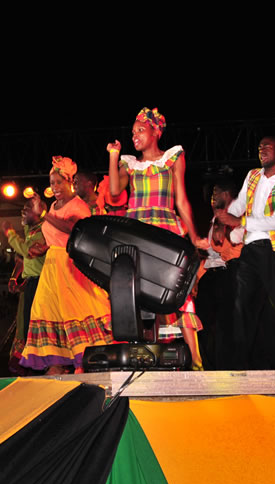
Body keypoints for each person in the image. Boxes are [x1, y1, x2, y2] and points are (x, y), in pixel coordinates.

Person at [107, 107, 204, 370]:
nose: (135, 136)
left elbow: (181, 200)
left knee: (177, 290)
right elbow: (114, 192)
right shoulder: (130, 163)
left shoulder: (173, 158)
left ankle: (195, 360)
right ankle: (146, 356)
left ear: (155, 131)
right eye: (133, 132)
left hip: (165, 231)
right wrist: (114, 156)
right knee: (138, 291)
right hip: (137, 231)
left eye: (140, 130)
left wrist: (193, 236)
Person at [20, 156, 114, 373]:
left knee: (74, 312)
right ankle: (54, 366)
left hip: (70, 266)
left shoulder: (78, 206)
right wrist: (42, 247)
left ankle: (82, 363)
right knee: (45, 310)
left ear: (70, 182)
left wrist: (43, 215)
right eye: (52, 183)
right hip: (51, 267)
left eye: (59, 182)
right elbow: (53, 233)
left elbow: (71, 229)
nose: (55, 188)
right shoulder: (54, 206)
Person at [214, 136, 275, 369]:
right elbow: (240, 203)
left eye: (267, 147)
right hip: (251, 250)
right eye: (260, 147)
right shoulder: (252, 175)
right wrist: (224, 219)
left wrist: (239, 220)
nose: (261, 150)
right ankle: (240, 365)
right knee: (243, 307)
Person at [196, 176, 245, 370]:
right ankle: (209, 366)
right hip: (212, 275)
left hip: (228, 273)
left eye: (216, 193)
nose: (212, 197)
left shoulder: (235, 215)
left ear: (226, 194)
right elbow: (209, 253)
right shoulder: (217, 218)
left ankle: (227, 366)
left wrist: (221, 226)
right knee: (204, 324)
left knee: (225, 324)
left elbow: (229, 247)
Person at [2, 198, 47, 370]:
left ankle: (39, 363)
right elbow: (21, 258)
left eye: (27, 208)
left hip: (41, 283)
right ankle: (28, 360)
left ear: (38, 211)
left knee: (34, 324)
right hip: (31, 282)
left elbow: (28, 252)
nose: (23, 211)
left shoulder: (44, 230)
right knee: (26, 323)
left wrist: (10, 234)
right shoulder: (31, 229)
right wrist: (15, 278)